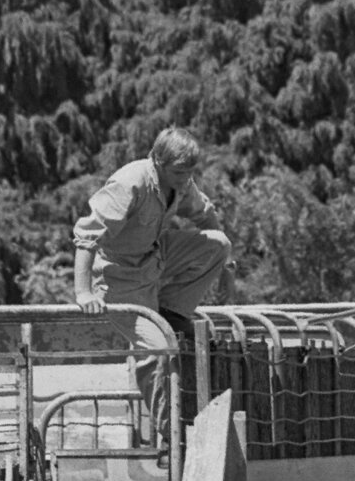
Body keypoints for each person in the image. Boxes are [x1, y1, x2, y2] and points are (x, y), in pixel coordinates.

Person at [72, 126, 235, 447]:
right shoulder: (129, 183)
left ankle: (172, 311)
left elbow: (205, 214)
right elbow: (87, 236)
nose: (185, 178)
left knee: (219, 244)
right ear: (157, 161)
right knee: (159, 350)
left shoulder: (181, 182)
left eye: (190, 171)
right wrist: (84, 292)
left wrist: (226, 264)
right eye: (179, 172)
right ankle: (171, 436)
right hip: (120, 279)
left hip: (155, 257)